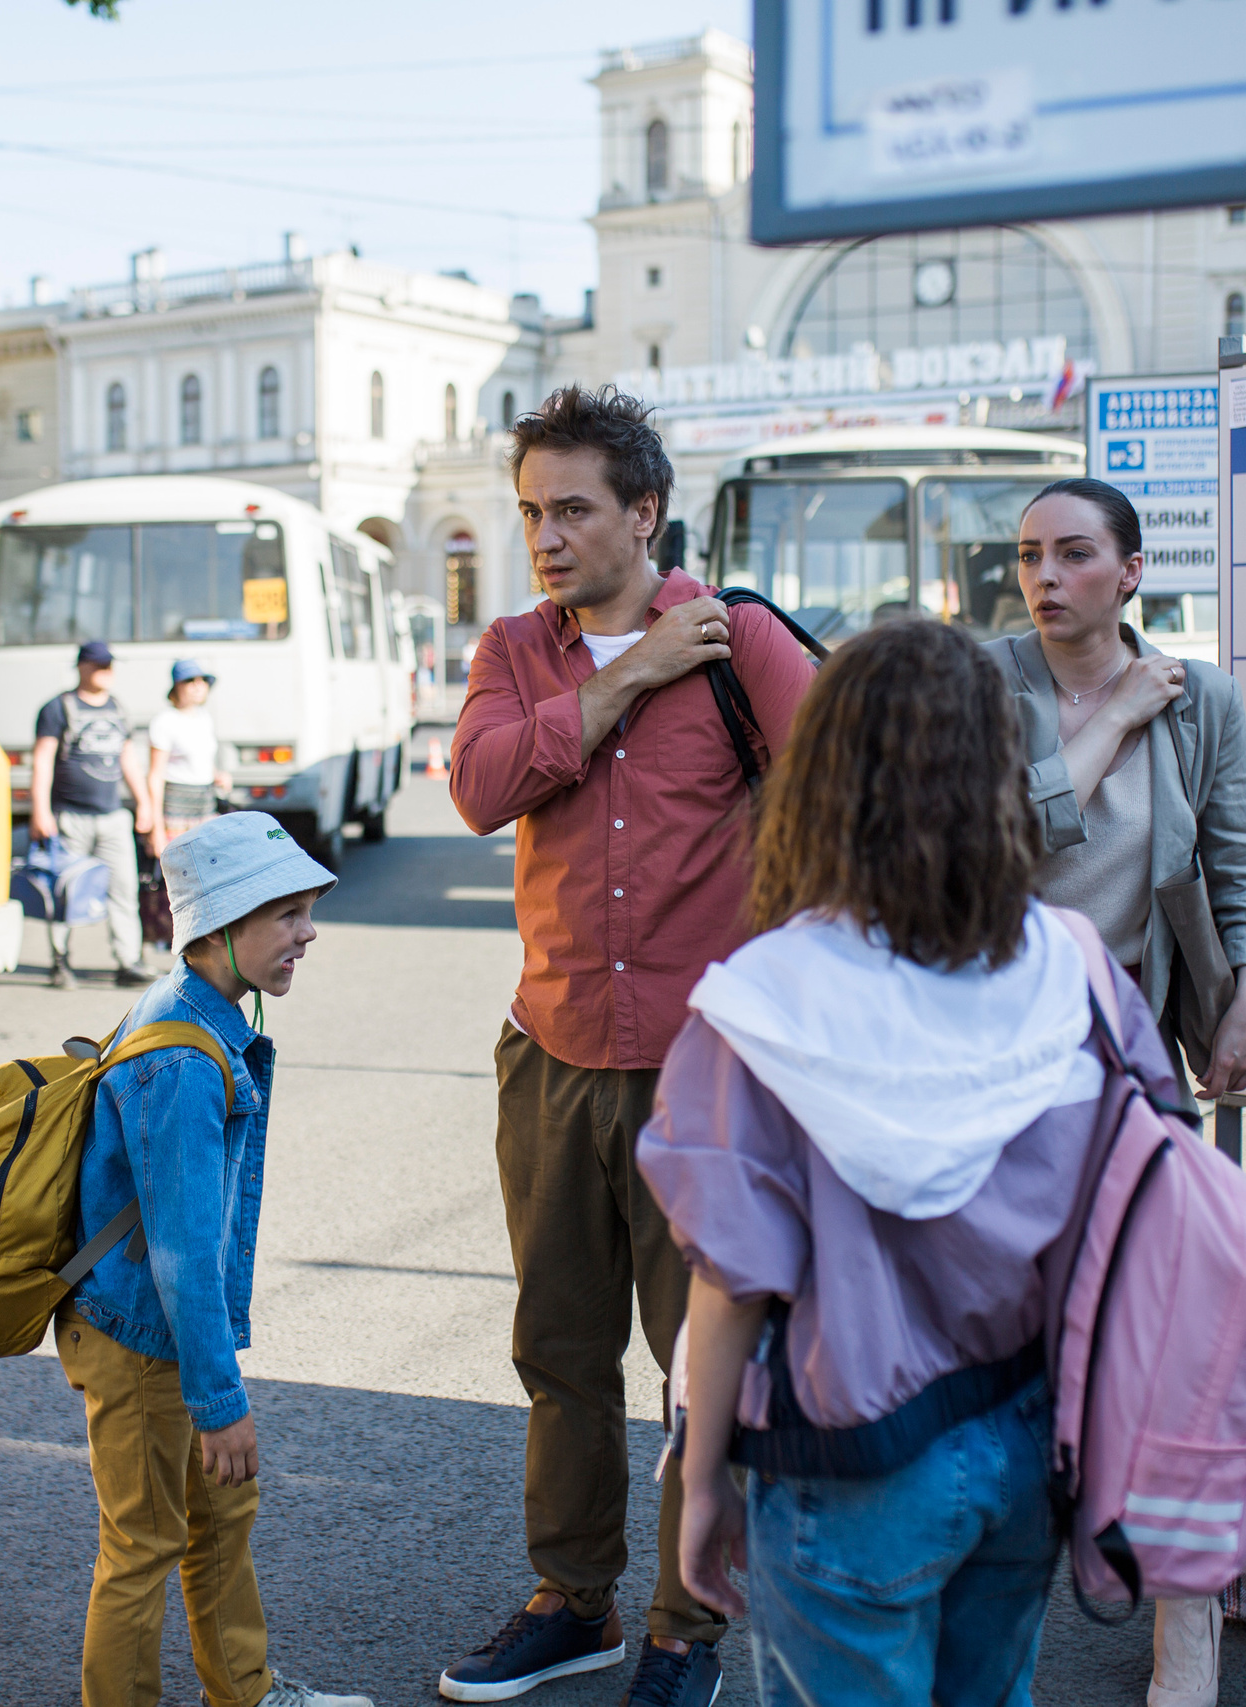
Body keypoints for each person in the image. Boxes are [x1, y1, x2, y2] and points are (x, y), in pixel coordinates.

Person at [645, 617, 1152, 1705]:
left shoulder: (760, 1004)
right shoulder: (1074, 969)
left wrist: (700, 1481)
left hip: (846, 1467)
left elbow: (732, 1280)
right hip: (1032, 1439)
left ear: (820, 777)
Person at [444, 386, 813, 1707]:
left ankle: (680, 1628)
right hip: (548, 1048)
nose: (545, 535)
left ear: (645, 511)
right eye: (531, 509)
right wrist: (626, 676)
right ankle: (573, 1596)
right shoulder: (515, 650)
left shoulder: (738, 641)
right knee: (559, 1343)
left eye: (573, 509)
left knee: (698, 1360)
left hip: (704, 1066)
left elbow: (853, 793)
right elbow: (484, 787)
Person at [999, 478, 1246, 1707]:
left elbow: (1236, 852)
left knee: (1172, 1336)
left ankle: (1190, 1625)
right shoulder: (982, 686)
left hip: (1129, 1052)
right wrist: (1110, 717)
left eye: (1073, 554)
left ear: (1129, 571)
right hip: (994, 1054)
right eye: (1027, 556)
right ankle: (986, 1595)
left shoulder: (1201, 695)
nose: (1046, 576)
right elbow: (995, 842)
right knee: (1000, 1343)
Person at [50, 810, 368, 1707]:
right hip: (142, 1337)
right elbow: (183, 1255)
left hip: (159, 1329)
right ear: (221, 925)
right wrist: (220, 1400)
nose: (309, 932)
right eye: (287, 913)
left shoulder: (198, 1007)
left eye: (308, 909)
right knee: (143, 1545)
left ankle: (247, 1692)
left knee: (220, 1513)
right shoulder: (184, 1060)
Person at [32, 639, 158, 990]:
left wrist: (143, 802)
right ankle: (60, 961)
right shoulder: (59, 708)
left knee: (124, 889)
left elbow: (128, 759)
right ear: (82, 667)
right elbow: (43, 760)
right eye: (100, 665)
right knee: (67, 891)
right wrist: (40, 811)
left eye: (110, 665)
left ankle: (128, 961)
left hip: (113, 816)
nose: (107, 672)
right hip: (71, 816)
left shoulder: (117, 708)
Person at [147, 659, 233, 857]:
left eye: (202, 680)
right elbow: (155, 776)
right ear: (176, 687)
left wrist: (218, 775)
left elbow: (200, 762)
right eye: (190, 681)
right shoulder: (165, 721)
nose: (197, 686)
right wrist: (157, 828)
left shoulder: (204, 718)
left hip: (205, 808)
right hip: (176, 813)